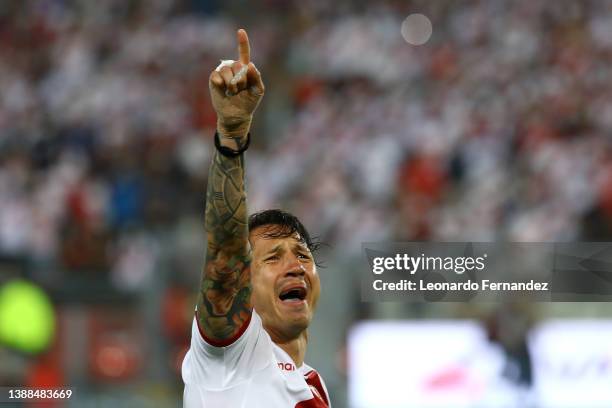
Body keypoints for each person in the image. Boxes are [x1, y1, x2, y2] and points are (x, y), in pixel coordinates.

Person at [181, 28, 331, 407]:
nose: (295, 266)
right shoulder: (231, 353)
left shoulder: (313, 384)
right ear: (244, 286)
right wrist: (231, 134)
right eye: (272, 257)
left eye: (302, 255)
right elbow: (226, 254)